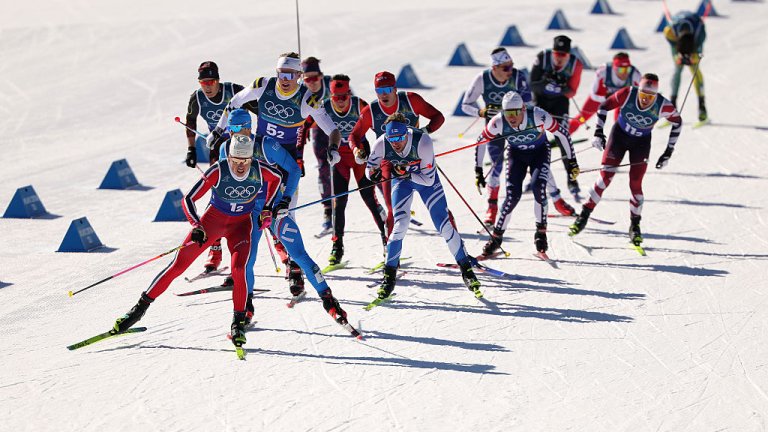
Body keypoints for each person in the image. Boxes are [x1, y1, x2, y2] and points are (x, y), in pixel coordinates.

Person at [112, 135, 282, 349]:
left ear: (252, 159)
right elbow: (188, 199)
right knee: (178, 266)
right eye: (236, 161)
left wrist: (268, 208)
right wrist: (197, 225)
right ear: (229, 157)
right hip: (212, 224)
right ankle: (137, 311)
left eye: (245, 161)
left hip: (240, 227)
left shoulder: (258, 169)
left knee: (239, 269)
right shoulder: (218, 170)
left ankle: (238, 324)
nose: (240, 166)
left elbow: (277, 178)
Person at [211, 52, 342, 297]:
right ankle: (240, 269)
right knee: (246, 219)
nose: (285, 79)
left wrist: (333, 148)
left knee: (285, 220)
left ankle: (295, 271)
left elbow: (333, 130)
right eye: (281, 74)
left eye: (291, 75)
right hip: (256, 166)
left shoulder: (307, 99)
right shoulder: (263, 85)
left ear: (299, 76)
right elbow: (235, 102)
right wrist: (219, 130)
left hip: (285, 170)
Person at [219, 112, 354, 326]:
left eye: (236, 129)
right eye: (229, 129)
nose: (232, 134)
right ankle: (246, 308)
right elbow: (224, 182)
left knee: (298, 254)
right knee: (247, 261)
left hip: (273, 209)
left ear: (247, 127)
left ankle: (329, 300)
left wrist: (285, 200)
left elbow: (294, 170)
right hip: (249, 213)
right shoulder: (225, 148)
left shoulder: (266, 145)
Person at [367, 113, 482, 300]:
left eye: (399, 138)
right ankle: (389, 277)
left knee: (443, 225)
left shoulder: (423, 141)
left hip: (425, 181)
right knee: (400, 225)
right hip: (402, 182)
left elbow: (428, 180)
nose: (395, 143)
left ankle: (467, 270)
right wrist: (373, 174)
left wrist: (405, 172)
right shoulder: (381, 143)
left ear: (406, 133)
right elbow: (369, 169)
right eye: (391, 139)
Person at [569, 73, 682, 246]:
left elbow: (678, 122)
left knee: (635, 183)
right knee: (604, 178)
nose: (645, 99)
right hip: (619, 138)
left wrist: (668, 151)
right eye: (643, 94)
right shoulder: (628, 93)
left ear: (656, 95)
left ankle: (635, 226)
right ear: (638, 90)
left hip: (641, 144)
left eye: (650, 96)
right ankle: (583, 216)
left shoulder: (663, 105)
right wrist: (598, 132)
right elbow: (604, 106)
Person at [481, 91, 579, 257]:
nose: (511, 117)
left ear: (523, 109)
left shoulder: (538, 115)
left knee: (538, 188)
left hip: (539, 153)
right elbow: (480, 141)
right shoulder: (498, 121)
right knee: (512, 196)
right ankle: (496, 238)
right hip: (516, 155)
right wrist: (478, 170)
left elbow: (562, 133)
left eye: (515, 112)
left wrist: (572, 162)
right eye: (507, 113)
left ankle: (541, 234)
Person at [183, 61, 258, 274]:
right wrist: (191, 150)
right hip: (218, 148)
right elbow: (190, 121)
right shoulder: (197, 98)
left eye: (211, 82)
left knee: (251, 193)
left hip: (243, 147)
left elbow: (260, 110)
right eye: (203, 82)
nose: (207, 86)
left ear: (218, 80)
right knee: (217, 195)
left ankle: (251, 247)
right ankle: (214, 251)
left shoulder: (233, 91)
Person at [349, 71, 445, 236]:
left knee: (438, 205)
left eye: (387, 90)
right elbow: (354, 135)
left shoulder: (411, 100)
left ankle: (458, 246)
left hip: (416, 156)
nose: (384, 95)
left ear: (395, 89)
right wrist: (357, 150)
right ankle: (390, 249)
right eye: (379, 91)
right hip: (389, 162)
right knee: (392, 208)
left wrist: (424, 132)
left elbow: (438, 117)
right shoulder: (371, 111)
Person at [320, 74, 387, 265]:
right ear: (331, 96)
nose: (341, 101)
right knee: (339, 203)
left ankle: (386, 241)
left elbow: (379, 128)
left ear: (349, 93)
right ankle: (337, 246)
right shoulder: (324, 107)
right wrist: (299, 154)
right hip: (339, 159)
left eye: (344, 96)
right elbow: (305, 124)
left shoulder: (359, 105)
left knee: (369, 199)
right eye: (336, 97)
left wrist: (386, 152)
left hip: (360, 156)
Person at [460, 47, 532, 226]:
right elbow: (465, 105)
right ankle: (492, 207)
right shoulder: (482, 79)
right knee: (496, 166)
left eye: (511, 66)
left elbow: (529, 103)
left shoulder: (518, 76)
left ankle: (556, 198)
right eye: (506, 68)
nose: (510, 71)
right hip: (495, 129)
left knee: (533, 160)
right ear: (495, 68)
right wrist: (481, 112)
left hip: (518, 128)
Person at [530, 35, 584, 199]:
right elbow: (532, 84)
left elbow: (572, 92)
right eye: (557, 54)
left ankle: (572, 179)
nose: (559, 59)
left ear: (568, 55)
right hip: (540, 102)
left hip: (560, 104)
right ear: (552, 52)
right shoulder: (542, 58)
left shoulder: (575, 64)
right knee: (534, 139)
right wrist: (545, 83)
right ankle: (534, 177)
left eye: (563, 55)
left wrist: (561, 87)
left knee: (563, 138)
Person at [297, 56, 335, 233]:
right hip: (318, 129)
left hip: (337, 128)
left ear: (321, 76)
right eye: (307, 79)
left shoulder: (331, 85)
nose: (312, 82)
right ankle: (327, 209)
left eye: (315, 78)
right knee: (323, 167)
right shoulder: (300, 91)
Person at [568, 52, 641, 134]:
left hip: (621, 101)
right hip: (601, 97)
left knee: (622, 122)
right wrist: (606, 97)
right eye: (621, 70)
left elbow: (639, 97)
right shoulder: (603, 71)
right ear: (614, 68)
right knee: (582, 118)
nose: (625, 73)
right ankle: (565, 132)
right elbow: (594, 95)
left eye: (627, 69)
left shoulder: (635, 75)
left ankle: (621, 137)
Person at [663, 11, 707, 122]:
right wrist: (678, 57)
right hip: (677, 39)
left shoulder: (700, 34)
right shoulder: (670, 32)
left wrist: (693, 57)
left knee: (695, 70)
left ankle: (702, 106)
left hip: (693, 40)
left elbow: (699, 53)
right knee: (677, 69)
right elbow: (674, 52)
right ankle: (672, 105)